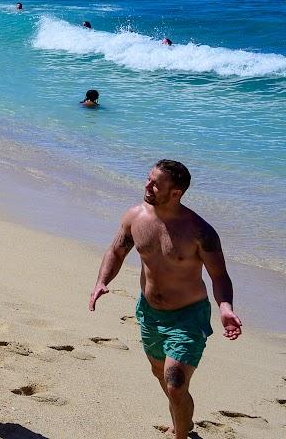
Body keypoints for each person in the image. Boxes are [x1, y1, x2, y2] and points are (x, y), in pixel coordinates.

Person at [90, 160, 241, 439]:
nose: (147, 186)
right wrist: (102, 281)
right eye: (148, 179)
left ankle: (180, 434)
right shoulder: (135, 217)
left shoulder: (199, 231)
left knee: (174, 383)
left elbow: (219, 276)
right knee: (161, 373)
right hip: (149, 313)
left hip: (187, 316)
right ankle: (183, 422)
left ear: (176, 193)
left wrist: (225, 307)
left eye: (155, 183)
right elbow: (117, 251)